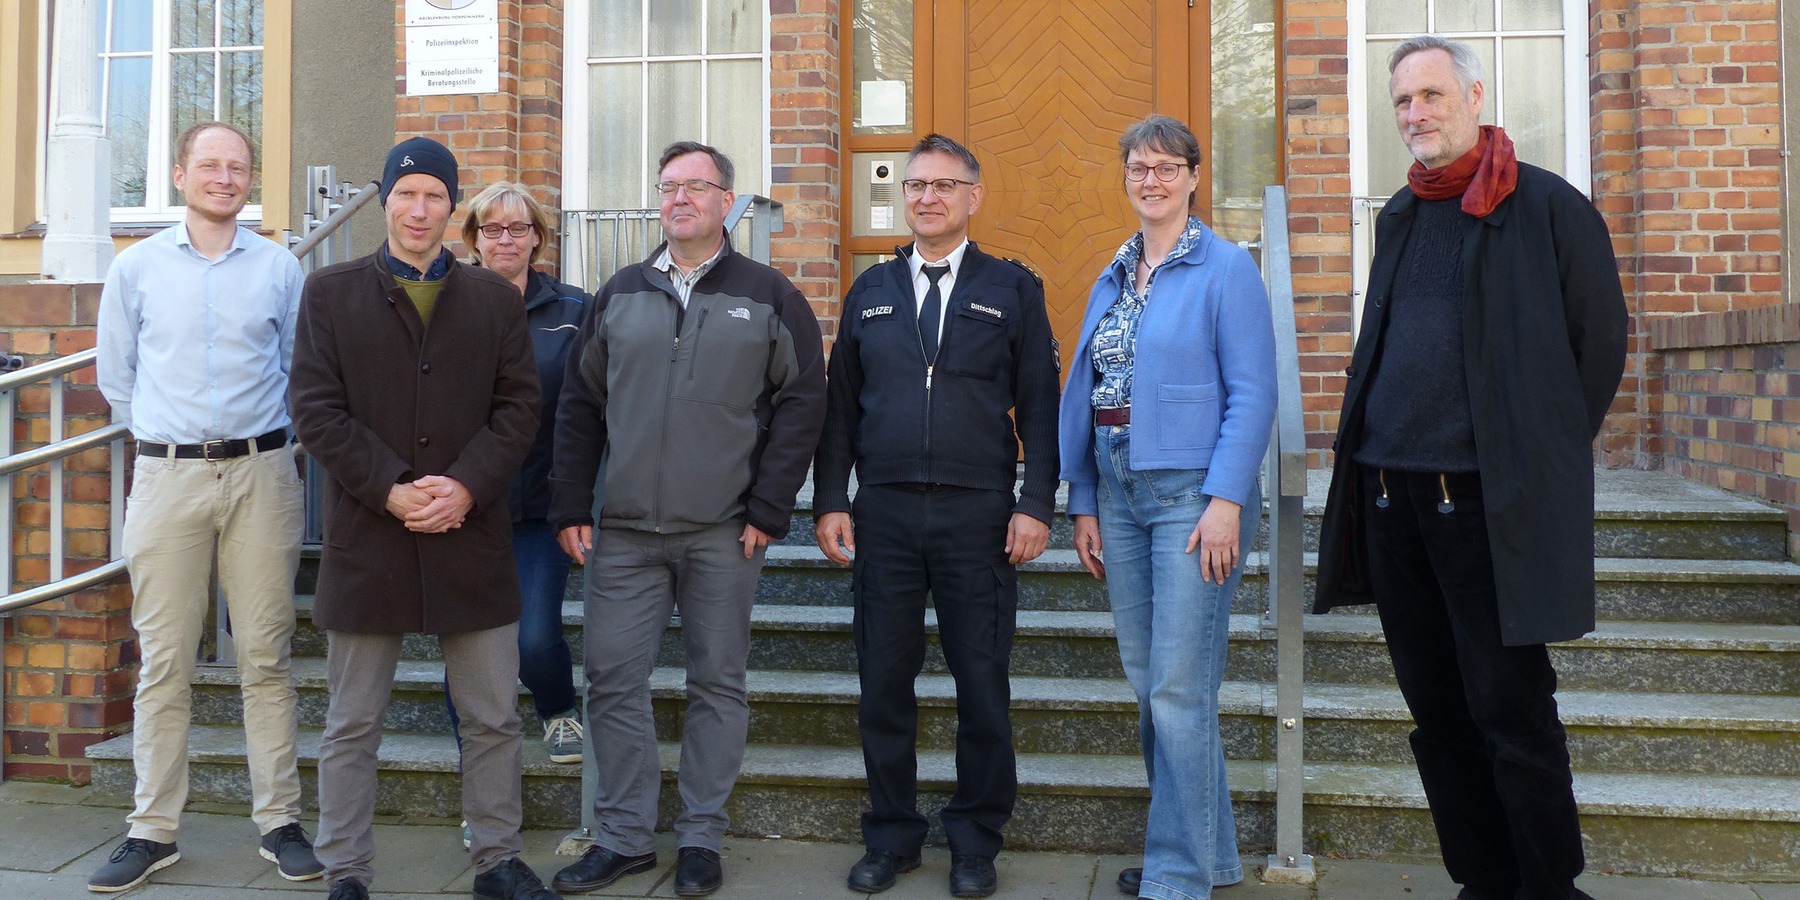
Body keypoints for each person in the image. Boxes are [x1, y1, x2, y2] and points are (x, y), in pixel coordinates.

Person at [1315, 35, 1626, 900]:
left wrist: (1540, 451)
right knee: (1438, 715)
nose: (1415, 114)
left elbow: (1597, 346)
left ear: (1475, 96)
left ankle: (1548, 885)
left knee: (1511, 710)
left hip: (1486, 509)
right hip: (1390, 499)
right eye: (1403, 101)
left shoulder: (1551, 208)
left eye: (1430, 95)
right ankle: (1483, 882)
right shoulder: (1401, 216)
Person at [548, 141, 827, 898]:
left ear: (726, 201)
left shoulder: (769, 294)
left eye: (696, 187)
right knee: (611, 680)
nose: (679, 199)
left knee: (716, 681)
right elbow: (580, 405)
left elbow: (804, 402)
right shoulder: (620, 293)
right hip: (626, 532)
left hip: (724, 528)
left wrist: (772, 506)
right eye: (668, 187)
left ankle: (702, 836)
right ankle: (626, 836)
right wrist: (571, 501)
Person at [290, 137, 558, 900]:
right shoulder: (329, 293)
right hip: (369, 536)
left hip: (470, 536)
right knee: (351, 723)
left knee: (492, 718)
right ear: (385, 201)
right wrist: (393, 488)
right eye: (406, 193)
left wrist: (466, 487)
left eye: (434, 196)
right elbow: (315, 410)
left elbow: (518, 411)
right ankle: (346, 869)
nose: (419, 209)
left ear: (453, 207)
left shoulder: (496, 300)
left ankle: (499, 862)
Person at [813, 133, 1060, 899]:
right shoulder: (870, 290)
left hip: (978, 516)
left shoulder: (1012, 288)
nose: (927, 197)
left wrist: (1035, 504)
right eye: (916, 184)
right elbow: (838, 412)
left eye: (945, 185)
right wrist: (829, 501)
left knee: (981, 684)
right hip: (882, 514)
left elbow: (1044, 410)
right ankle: (891, 837)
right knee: (883, 684)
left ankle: (976, 839)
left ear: (973, 197)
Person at [92, 120, 322, 893]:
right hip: (168, 481)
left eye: (239, 167)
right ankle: (152, 829)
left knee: (266, 655)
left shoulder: (280, 268)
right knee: (164, 660)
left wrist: (272, 448)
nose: (225, 177)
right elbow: (117, 378)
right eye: (210, 165)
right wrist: (173, 443)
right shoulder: (139, 268)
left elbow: (300, 369)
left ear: (250, 180)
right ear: (179, 172)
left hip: (262, 477)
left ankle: (279, 821)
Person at [1056, 115, 1276, 900]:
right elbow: (1087, 391)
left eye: (1165, 167)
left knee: (1181, 690)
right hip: (1117, 492)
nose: (1150, 180)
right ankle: (1205, 856)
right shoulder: (1114, 274)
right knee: (1154, 687)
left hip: (1191, 496)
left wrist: (1224, 501)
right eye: (1137, 168)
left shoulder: (1225, 268)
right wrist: (1081, 498)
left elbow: (1253, 394)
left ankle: (1177, 874)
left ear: (1192, 176)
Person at [449, 181, 587, 764]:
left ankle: (557, 709)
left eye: (519, 229)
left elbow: (590, 405)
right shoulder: (444, 305)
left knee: (532, 636)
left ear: (538, 239)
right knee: (467, 643)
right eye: (492, 229)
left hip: (543, 505)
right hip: (466, 505)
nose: (505, 239)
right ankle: (477, 772)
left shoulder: (575, 309)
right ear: (474, 240)